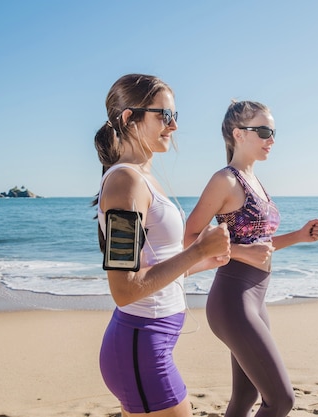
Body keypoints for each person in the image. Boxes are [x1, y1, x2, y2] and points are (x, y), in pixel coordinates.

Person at [93, 74, 231, 417]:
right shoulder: (125, 182)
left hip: (150, 343)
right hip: (140, 346)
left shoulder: (143, 178)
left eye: (175, 116)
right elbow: (124, 290)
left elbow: (154, 265)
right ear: (129, 118)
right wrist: (197, 250)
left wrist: (203, 261)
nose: (174, 126)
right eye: (164, 116)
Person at [184, 100, 318, 417]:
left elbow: (259, 245)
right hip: (232, 301)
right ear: (239, 134)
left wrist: (299, 236)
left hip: (255, 302)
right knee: (282, 399)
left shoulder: (256, 182)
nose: (271, 139)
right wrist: (242, 251)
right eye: (263, 131)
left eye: (273, 132)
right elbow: (190, 238)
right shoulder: (226, 180)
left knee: (245, 397)